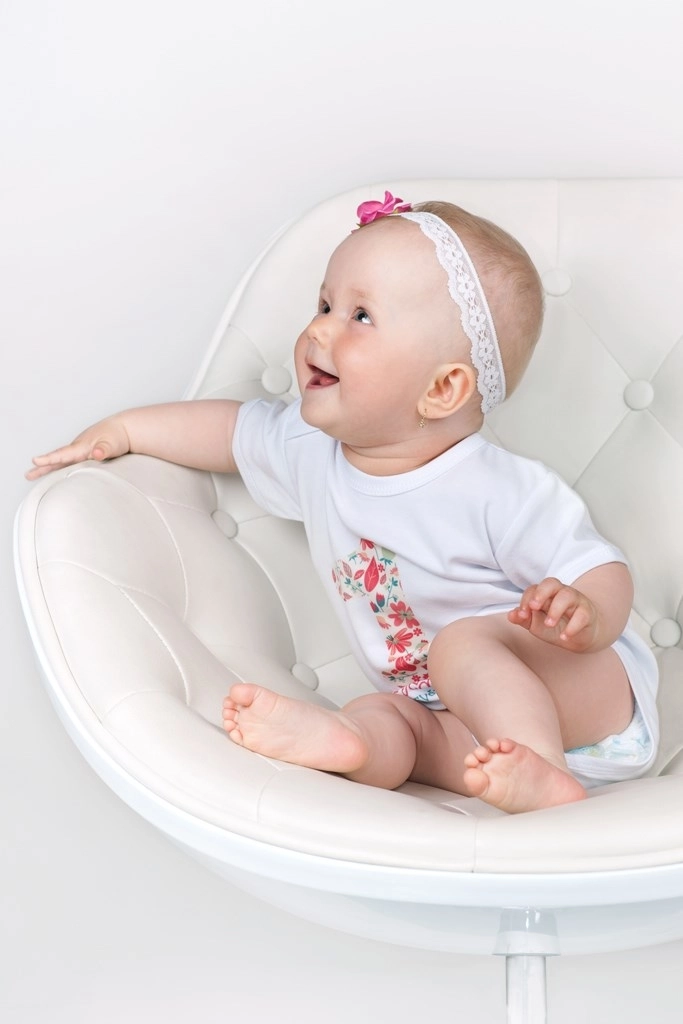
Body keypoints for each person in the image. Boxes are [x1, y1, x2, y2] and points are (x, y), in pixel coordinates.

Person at [26, 192, 659, 814]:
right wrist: (126, 430)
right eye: (325, 304)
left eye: (360, 316)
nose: (319, 328)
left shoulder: (498, 488)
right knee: (391, 719)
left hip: (585, 696)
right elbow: (229, 431)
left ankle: (543, 770)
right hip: (463, 727)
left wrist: (585, 614)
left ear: (442, 388)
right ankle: (349, 743)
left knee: (461, 645)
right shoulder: (310, 449)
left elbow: (600, 570)